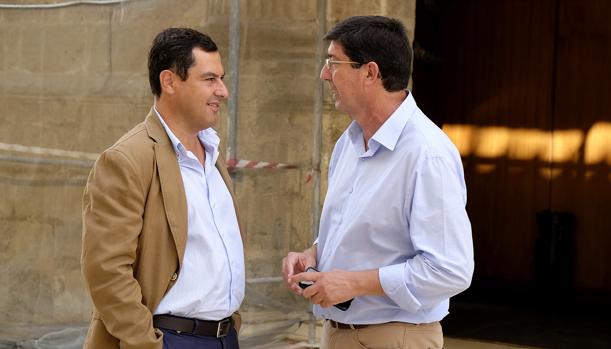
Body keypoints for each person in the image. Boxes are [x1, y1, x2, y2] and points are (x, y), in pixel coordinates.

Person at [282, 16, 474, 349]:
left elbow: (450, 270)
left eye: (333, 63)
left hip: (394, 337)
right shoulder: (349, 142)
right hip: (338, 334)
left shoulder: (428, 154)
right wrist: (315, 253)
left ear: (370, 72)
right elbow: (368, 230)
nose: (324, 74)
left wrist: (355, 283)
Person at [81, 28, 244, 349]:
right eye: (209, 79)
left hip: (225, 338)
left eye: (221, 78)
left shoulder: (211, 153)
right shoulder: (126, 159)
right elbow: (106, 270)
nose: (223, 91)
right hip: (167, 339)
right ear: (169, 82)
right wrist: (147, 344)